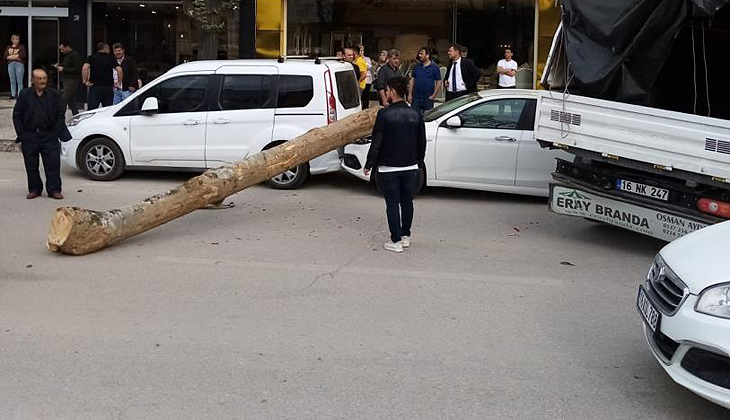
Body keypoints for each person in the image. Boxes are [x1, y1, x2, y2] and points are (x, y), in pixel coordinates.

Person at [364, 76, 426, 253]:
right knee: (407, 203)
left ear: (392, 91)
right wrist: (419, 162)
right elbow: (422, 142)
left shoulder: (385, 114)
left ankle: (395, 240)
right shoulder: (416, 114)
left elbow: (377, 142)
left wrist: (370, 164)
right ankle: (405, 236)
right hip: (411, 167)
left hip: (388, 167)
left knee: (392, 204)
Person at [13, 69, 71, 199]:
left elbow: (60, 115)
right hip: (30, 136)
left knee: (53, 165)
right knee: (31, 166)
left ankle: (54, 190)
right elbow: (17, 115)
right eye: (39, 79)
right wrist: (22, 134)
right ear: (32, 80)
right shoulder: (24, 94)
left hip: (49, 136)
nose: (42, 81)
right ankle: (34, 189)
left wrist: (55, 133)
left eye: (44, 78)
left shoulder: (55, 95)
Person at [82, 42, 123, 109]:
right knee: (107, 110)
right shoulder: (111, 58)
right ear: (105, 48)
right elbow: (119, 70)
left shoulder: (92, 57)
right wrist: (119, 83)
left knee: (92, 110)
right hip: (108, 87)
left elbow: (85, 68)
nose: (109, 50)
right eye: (109, 49)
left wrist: (85, 81)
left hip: (95, 87)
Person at [408, 47, 441, 113]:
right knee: (414, 117)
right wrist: (409, 94)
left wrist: (434, 95)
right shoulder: (416, 66)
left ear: (427, 55)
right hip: (416, 98)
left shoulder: (435, 67)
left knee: (427, 118)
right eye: (419, 53)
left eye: (421, 53)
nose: (419, 55)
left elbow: (439, 81)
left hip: (428, 98)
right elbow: (412, 79)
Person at [56, 41, 82, 115]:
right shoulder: (67, 56)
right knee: (71, 101)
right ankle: (76, 116)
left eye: (62, 49)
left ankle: (60, 117)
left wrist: (63, 69)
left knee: (63, 99)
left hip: (72, 81)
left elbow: (77, 68)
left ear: (67, 47)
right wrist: (60, 66)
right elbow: (69, 66)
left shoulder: (74, 55)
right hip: (67, 80)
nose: (61, 51)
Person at [4, 34, 27, 99]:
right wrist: (16, 57)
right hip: (10, 65)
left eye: (18, 39)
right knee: (12, 80)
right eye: (16, 39)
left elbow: (22, 55)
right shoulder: (8, 47)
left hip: (19, 64)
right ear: (12, 40)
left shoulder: (21, 47)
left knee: (19, 80)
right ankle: (13, 94)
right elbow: (5, 56)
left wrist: (11, 57)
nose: (17, 40)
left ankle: (20, 95)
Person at [359, 45, 373, 109]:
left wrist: (362, 60)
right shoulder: (356, 60)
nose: (361, 52)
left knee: (366, 96)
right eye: (360, 50)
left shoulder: (367, 59)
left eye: (362, 50)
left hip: (367, 80)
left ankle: (365, 108)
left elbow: (368, 67)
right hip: (360, 80)